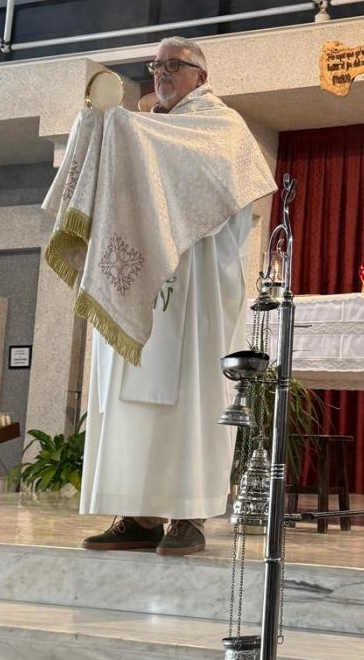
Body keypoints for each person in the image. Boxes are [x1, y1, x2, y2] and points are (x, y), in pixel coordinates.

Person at [68, 36, 274, 558]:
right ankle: (137, 515)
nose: (161, 73)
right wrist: (100, 124)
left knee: (192, 399)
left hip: (196, 283)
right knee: (127, 398)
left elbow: (197, 178)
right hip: (142, 279)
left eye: (174, 65)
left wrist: (122, 127)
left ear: (200, 76)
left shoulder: (221, 126)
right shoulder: (146, 126)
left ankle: (187, 515)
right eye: (156, 65)